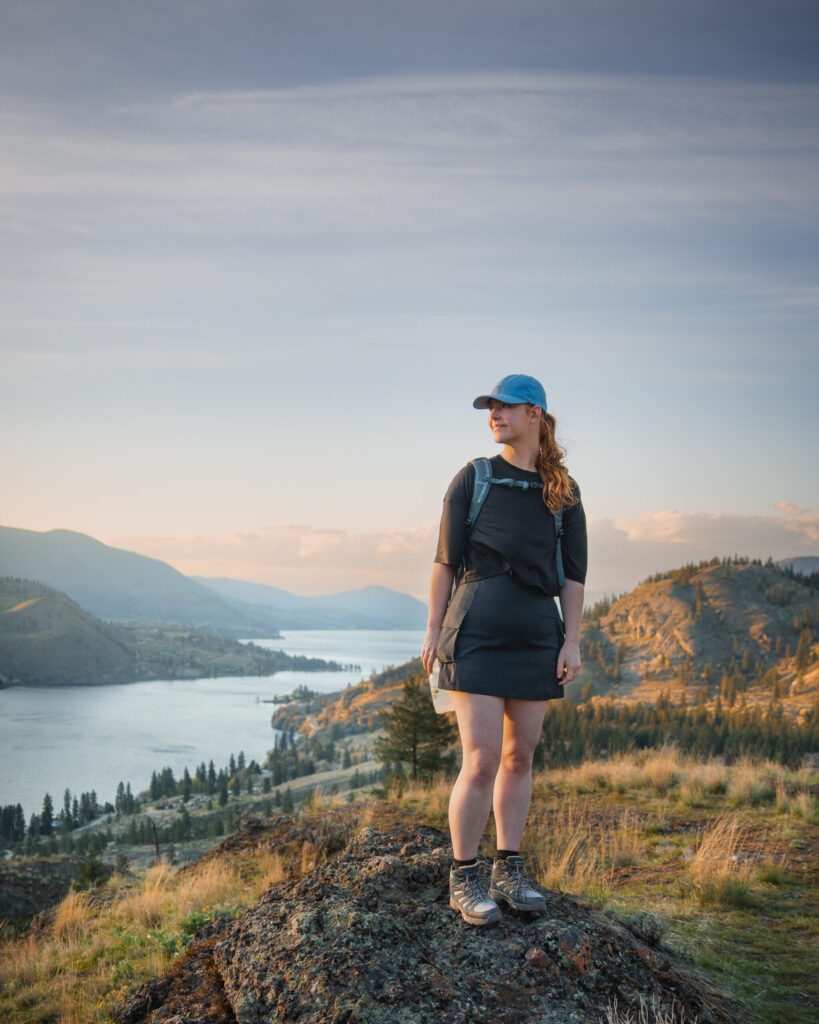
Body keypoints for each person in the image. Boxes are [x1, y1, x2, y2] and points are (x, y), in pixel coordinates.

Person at [421, 373, 587, 926]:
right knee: (483, 758)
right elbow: (445, 561)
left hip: (538, 635)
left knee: (520, 758)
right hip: (477, 636)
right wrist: (432, 633)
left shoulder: (563, 491)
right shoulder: (474, 478)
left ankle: (508, 870)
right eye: (490, 408)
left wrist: (571, 641)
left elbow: (575, 576)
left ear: (535, 414)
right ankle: (463, 877)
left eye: (506, 407)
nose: (494, 415)